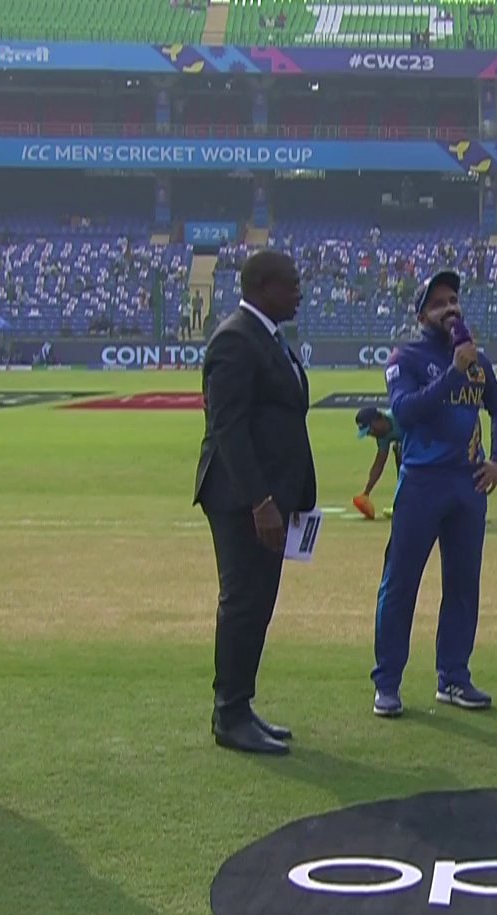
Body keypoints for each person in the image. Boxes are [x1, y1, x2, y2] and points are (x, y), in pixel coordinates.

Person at [370, 270, 497, 718]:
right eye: (438, 303)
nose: (450, 308)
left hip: (468, 486)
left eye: (453, 300)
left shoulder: (477, 360)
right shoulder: (406, 358)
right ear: (421, 316)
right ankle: (387, 683)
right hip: (422, 484)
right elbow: (405, 412)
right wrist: (454, 372)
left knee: (463, 586)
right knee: (400, 585)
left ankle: (453, 677)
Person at [194, 249, 313, 756]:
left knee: (259, 602)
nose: (300, 293)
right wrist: (260, 501)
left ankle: (241, 705)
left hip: (272, 496)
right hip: (242, 498)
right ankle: (229, 714)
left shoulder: (269, 338)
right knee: (243, 602)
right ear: (263, 287)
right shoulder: (236, 340)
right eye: (292, 284)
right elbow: (229, 429)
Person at [353, 404, 403, 520]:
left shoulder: (399, 416)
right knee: (400, 452)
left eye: (370, 429)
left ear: (378, 420)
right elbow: (379, 463)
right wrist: (366, 493)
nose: (371, 434)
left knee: (401, 450)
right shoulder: (381, 435)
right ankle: (402, 505)